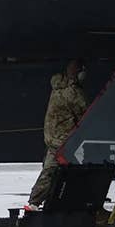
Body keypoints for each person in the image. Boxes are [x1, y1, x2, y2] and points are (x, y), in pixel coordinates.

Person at [24, 59, 89, 212]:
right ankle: (35, 202)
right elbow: (86, 115)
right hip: (64, 141)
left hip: (51, 137)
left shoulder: (57, 87)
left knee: (50, 170)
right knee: (54, 171)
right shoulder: (73, 93)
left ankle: (40, 202)